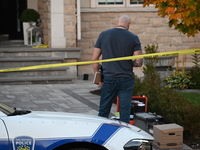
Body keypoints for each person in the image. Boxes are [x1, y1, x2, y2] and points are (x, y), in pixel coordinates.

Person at [91, 15, 143, 123]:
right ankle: (123, 136)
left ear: (117, 23)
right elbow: (139, 62)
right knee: (125, 112)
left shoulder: (104, 35)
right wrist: (129, 62)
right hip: (126, 79)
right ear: (129, 24)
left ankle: (101, 135)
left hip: (109, 78)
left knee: (103, 111)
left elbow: (94, 58)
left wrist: (98, 76)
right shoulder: (133, 37)